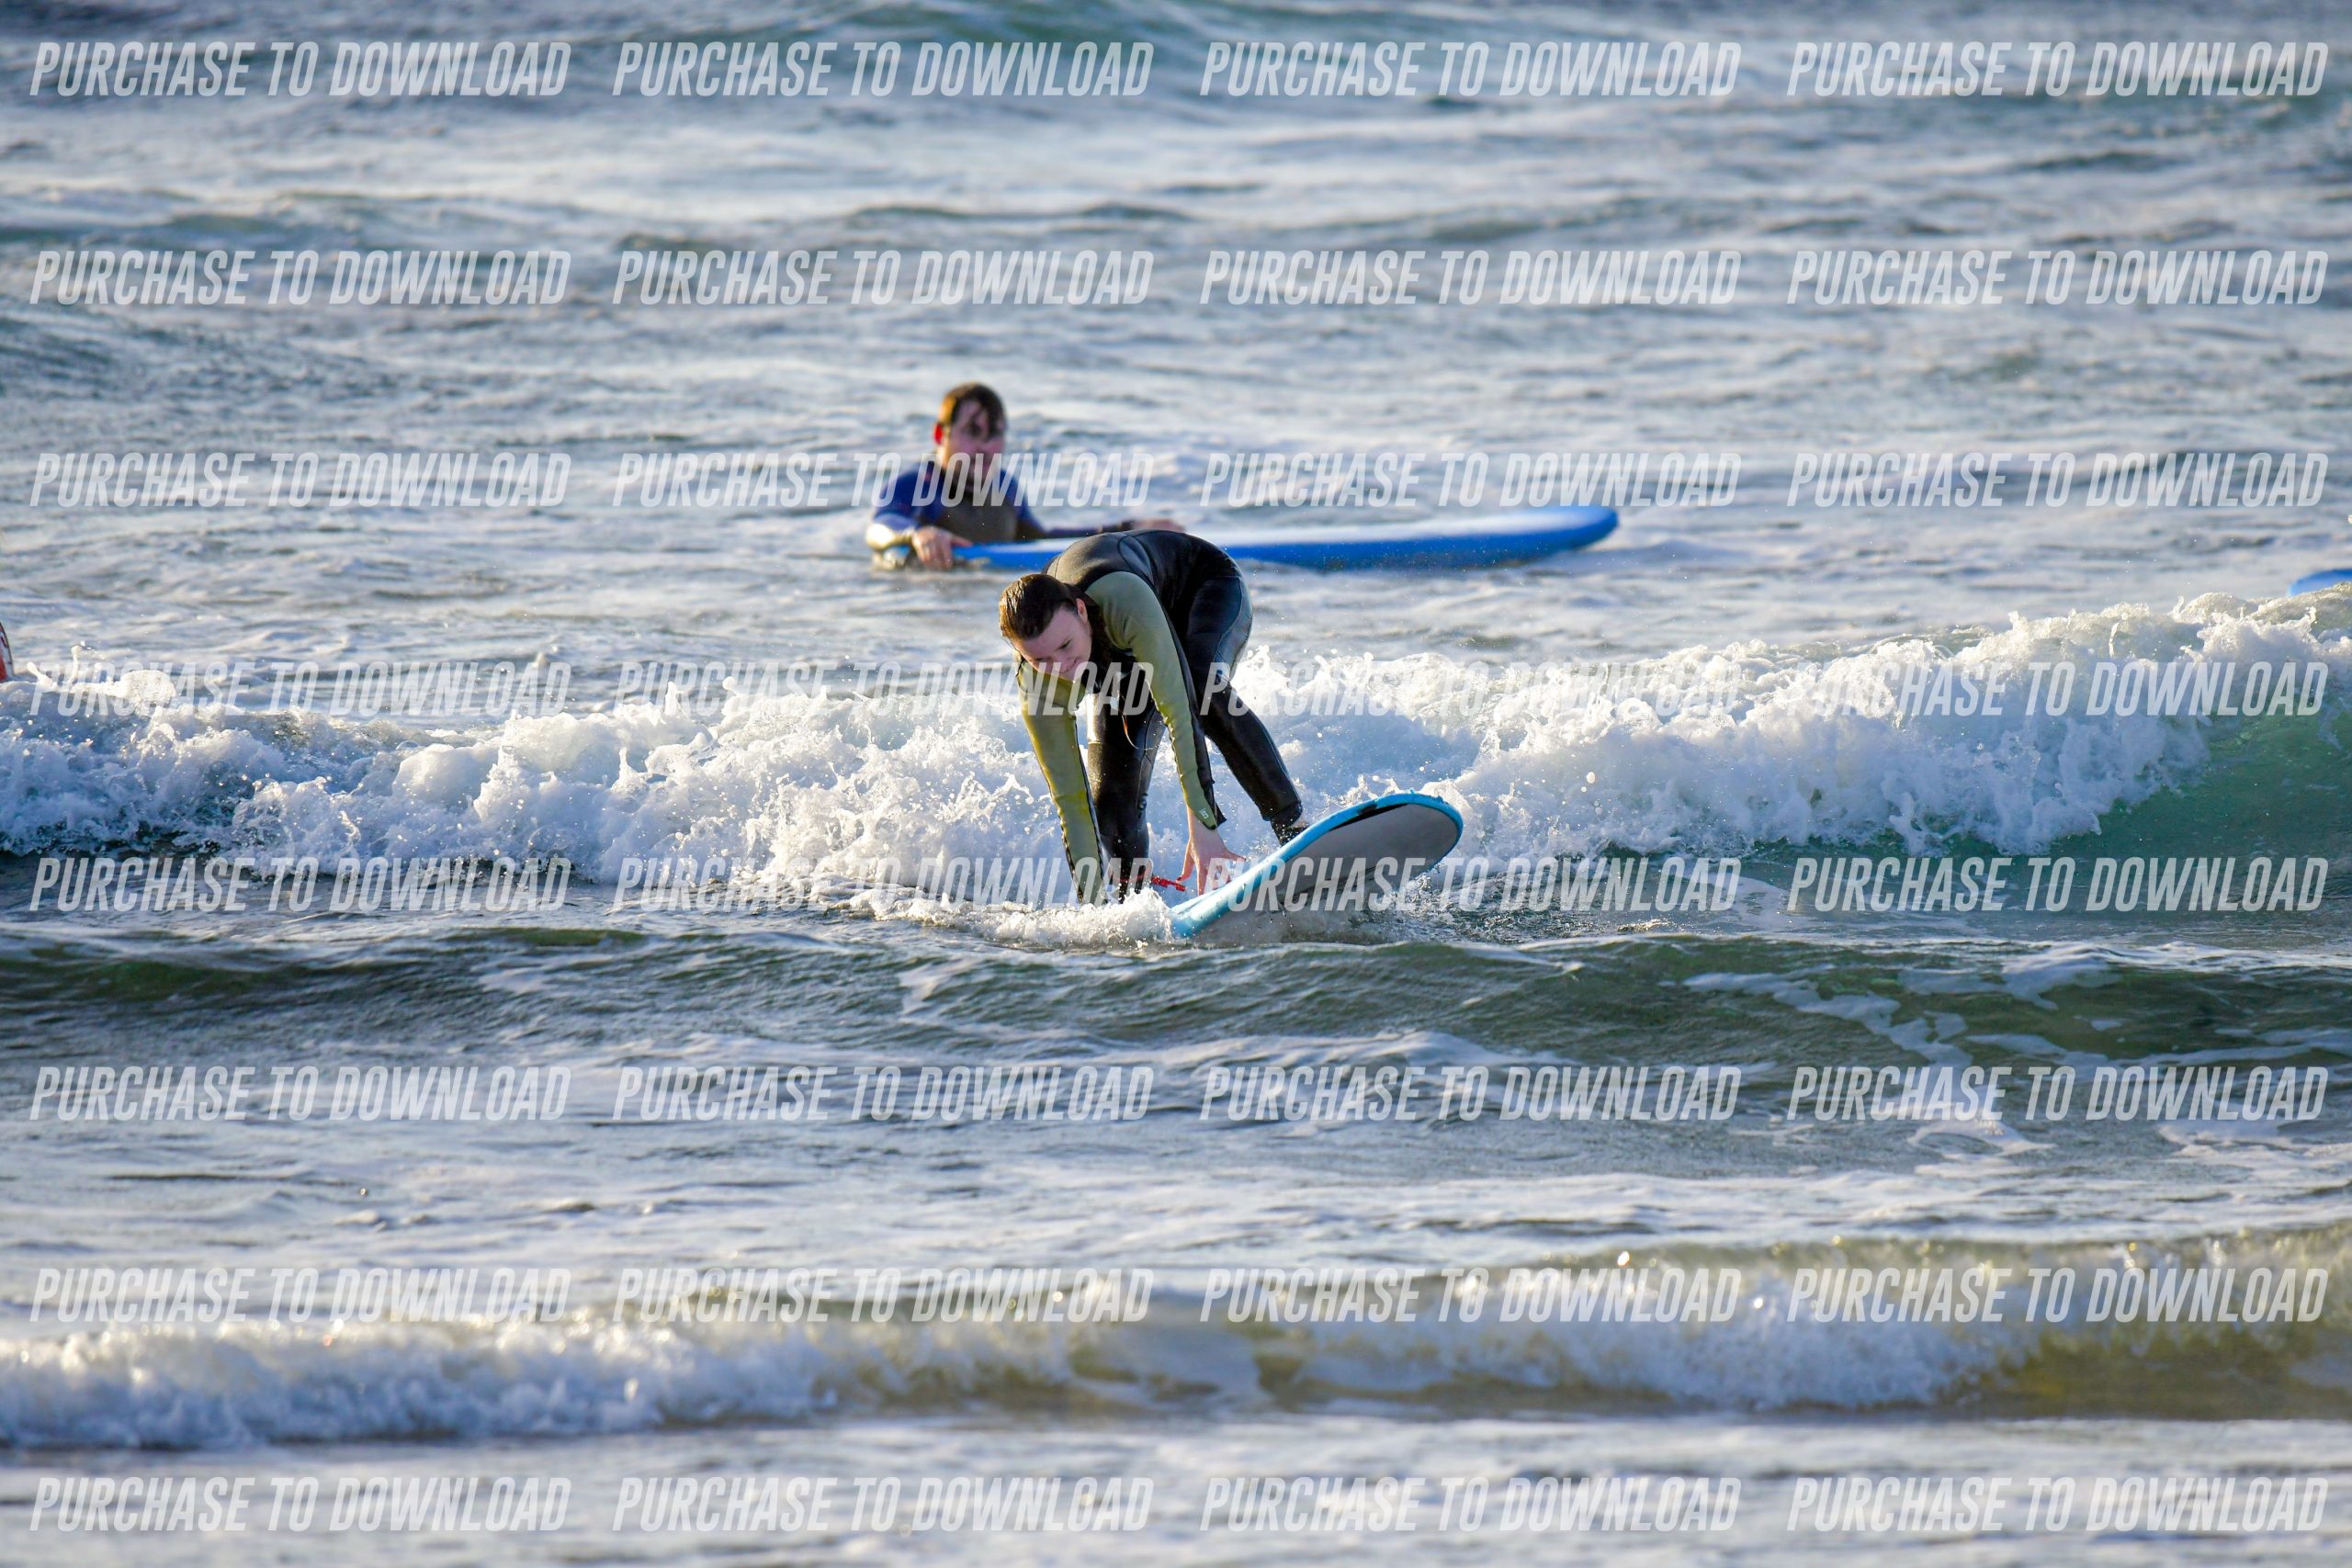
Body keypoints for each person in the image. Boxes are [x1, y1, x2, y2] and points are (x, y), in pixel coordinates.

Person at [1000, 530, 1306, 901]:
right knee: (1111, 802)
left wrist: (1204, 825)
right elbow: (1069, 799)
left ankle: (1295, 829)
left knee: (1202, 689)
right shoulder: (1037, 683)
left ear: (1080, 611)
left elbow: (1180, 713)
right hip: (1124, 651)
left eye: (1065, 646)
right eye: (1040, 659)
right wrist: (1092, 904)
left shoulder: (1122, 598)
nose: (1061, 667)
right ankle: (1134, 895)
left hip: (1200, 589)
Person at [867, 382, 1181, 568]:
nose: (985, 447)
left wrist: (1128, 531)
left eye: (994, 435)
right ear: (940, 434)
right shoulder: (916, 484)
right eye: (972, 432)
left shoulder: (1005, 487)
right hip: (917, 608)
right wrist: (917, 534)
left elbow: (1040, 540)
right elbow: (880, 526)